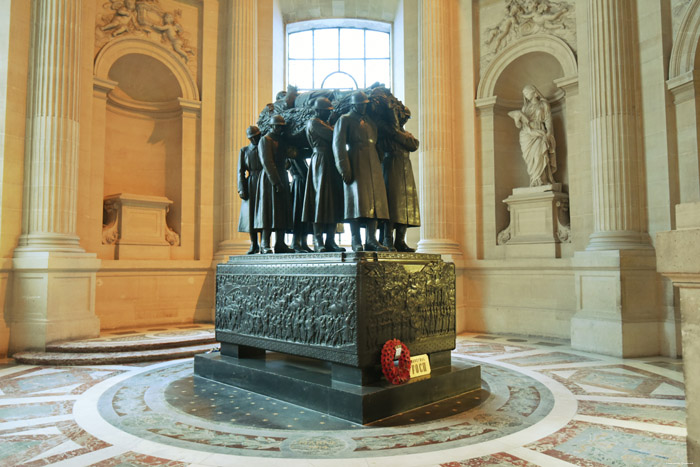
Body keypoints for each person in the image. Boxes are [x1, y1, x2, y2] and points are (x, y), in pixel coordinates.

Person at [332, 91, 389, 252]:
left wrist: (379, 157)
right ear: (354, 105)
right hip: (356, 161)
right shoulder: (345, 120)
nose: (364, 107)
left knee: (375, 202)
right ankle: (355, 239)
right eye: (361, 104)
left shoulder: (370, 121)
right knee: (356, 203)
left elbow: (376, 142)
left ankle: (371, 240)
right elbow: (338, 145)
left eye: (365, 104)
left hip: (373, 163)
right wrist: (344, 167)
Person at [302, 98, 345, 252]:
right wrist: (336, 123)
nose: (329, 113)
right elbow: (335, 135)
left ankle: (331, 241)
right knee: (319, 201)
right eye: (327, 110)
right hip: (320, 160)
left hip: (331, 160)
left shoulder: (324, 123)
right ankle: (318, 241)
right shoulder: (314, 122)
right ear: (319, 110)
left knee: (333, 200)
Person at [380, 109, 420, 252]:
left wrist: (397, 133)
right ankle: (387, 239)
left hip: (405, 169)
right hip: (391, 166)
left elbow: (414, 144)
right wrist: (398, 134)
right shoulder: (385, 130)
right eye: (403, 117)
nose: (405, 120)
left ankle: (400, 241)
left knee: (406, 205)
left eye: (407, 118)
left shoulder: (399, 132)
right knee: (392, 204)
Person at [255, 115, 294, 254]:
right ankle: (265, 243)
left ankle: (280, 243)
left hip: (282, 175)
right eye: (277, 126)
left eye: (281, 126)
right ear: (271, 126)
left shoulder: (282, 140)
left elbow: (287, 157)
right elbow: (267, 162)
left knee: (282, 211)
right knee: (268, 211)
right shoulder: (265, 140)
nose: (279, 128)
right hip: (269, 179)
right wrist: (276, 181)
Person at [508, 84, 557, 187]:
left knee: (539, 156)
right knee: (530, 159)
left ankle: (542, 180)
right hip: (527, 134)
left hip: (539, 132)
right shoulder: (525, 107)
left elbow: (548, 119)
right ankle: (534, 180)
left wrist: (549, 133)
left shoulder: (543, 105)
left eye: (526, 92)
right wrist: (517, 120)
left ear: (534, 92)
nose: (525, 95)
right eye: (524, 94)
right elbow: (520, 125)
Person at [237, 126, 263, 254]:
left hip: (264, 181)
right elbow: (241, 171)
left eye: (256, 136)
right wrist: (241, 188)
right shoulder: (245, 151)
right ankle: (254, 244)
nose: (254, 139)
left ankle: (264, 243)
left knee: (264, 213)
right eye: (252, 137)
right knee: (251, 214)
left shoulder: (264, 147)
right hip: (251, 182)